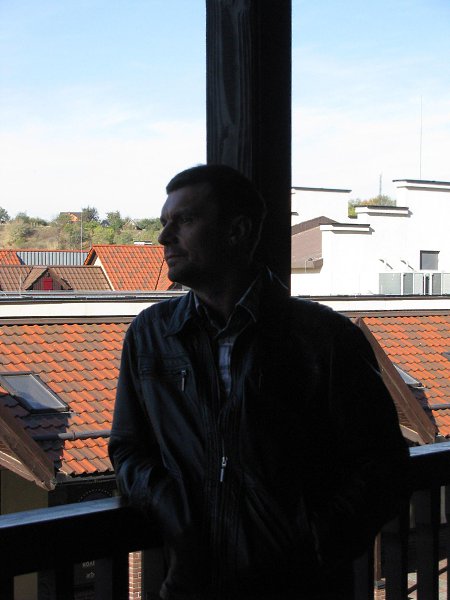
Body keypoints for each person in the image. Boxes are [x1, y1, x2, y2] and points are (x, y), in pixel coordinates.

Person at [109, 164, 409, 600]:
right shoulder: (150, 335)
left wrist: (314, 545)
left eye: (184, 220)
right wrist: (172, 509)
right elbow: (127, 448)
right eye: (164, 222)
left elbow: (382, 464)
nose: (163, 237)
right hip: (192, 587)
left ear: (237, 231)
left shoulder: (325, 338)